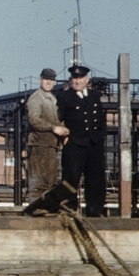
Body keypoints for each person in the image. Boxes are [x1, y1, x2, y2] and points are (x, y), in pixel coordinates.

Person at [55, 63, 107, 216]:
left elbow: (100, 119)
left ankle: (95, 211)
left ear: (86, 79)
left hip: (94, 144)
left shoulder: (94, 96)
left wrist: (101, 135)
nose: (77, 81)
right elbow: (58, 119)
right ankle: (70, 211)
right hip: (75, 144)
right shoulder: (64, 97)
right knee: (71, 178)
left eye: (80, 78)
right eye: (74, 78)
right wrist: (63, 137)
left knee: (96, 179)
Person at [25, 67, 69, 202]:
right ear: (40, 80)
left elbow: (55, 120)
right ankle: (35, 208)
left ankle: (44, 209)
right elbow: (34, 120)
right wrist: (53, 128)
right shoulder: (36, 98)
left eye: (51, 80)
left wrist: (64, 131)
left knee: (49, 180)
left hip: (50, 145)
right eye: (46, 79)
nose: (49, 82)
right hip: (39, 145)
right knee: (38, 182)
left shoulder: (51, 99)